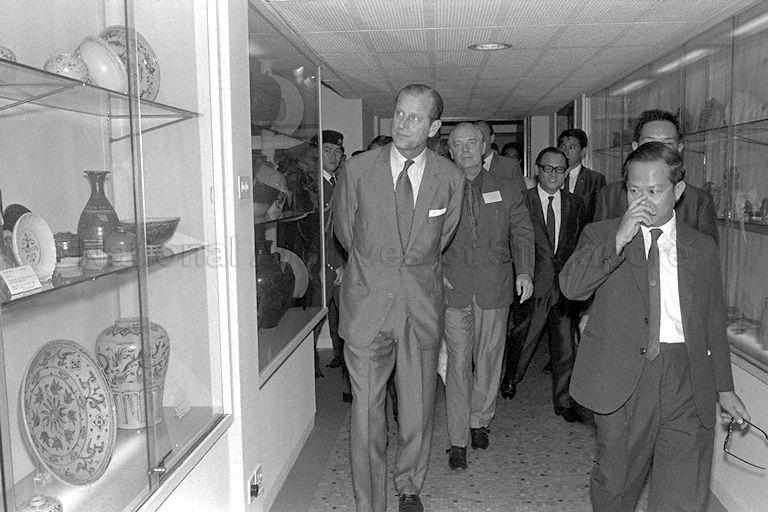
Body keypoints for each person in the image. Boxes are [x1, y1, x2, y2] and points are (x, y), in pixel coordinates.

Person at [559, 142, 749, 511]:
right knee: (616, 481)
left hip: (686, 376)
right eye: (634, 190)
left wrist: (725, 389)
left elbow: (712, 322)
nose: (642, 199)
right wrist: (620, 237)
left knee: (682, 486)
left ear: (677, 191)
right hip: (623, 377)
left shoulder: (701, 247)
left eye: (654, 190)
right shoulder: (601, 235)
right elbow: (571, 286)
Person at [334, 84, 464, 512]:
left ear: (435, 126)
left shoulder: (450, 177)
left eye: (415, 117)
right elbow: (346, 233)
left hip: (420, 308)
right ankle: (370, 502)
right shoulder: (358, 170)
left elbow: (439, 240)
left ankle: (409, 484)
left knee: (417, 409)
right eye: (399, 114)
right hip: (368, 307)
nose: (403, 124)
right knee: (367, 415)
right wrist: (377, 268)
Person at [442, 122, 534, 470]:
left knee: (490, 359)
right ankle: (457, 439)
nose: (465, 149)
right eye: (457, 144)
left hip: (495, 288)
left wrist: (524, 271)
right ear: (450, 150)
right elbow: (428, 240)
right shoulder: (441, 189)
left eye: (471, 142)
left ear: (484, 146)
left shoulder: (508, 188)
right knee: (458, 365)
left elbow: (523, 233)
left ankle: (480, 420)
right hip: (454, 290)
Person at [499, 147, 586, 422]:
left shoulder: (577, 205)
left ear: (566, 172)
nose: (553, 174)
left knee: (565, 347)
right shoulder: (521, 200)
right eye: (547, 168)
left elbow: (579, 244)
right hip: (531, 285)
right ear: (537, 169)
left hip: (563, 288)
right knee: (522, 337)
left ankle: (563, 401)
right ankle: (511, 376)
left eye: (559, 169)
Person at [594, 109, 719, 245]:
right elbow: (596, 251)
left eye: (668, 144)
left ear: (680, 148)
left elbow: (708, 258)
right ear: (635, 147)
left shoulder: (699, 202)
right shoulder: (610, 196)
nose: (659, 151)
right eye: (650, 143)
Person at [557, 128, 605, 223]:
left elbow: (598, 216)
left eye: (571, 148)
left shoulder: (594, 180)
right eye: (562, 147)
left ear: (582, 151)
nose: (565, 152)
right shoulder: (552, 176)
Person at [474, 120, 528, 194]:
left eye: (482, 139)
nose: (478, 143)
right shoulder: (463, 166)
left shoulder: (509, 166)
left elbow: (522, 196)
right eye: (473, 140)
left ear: (492, 138)